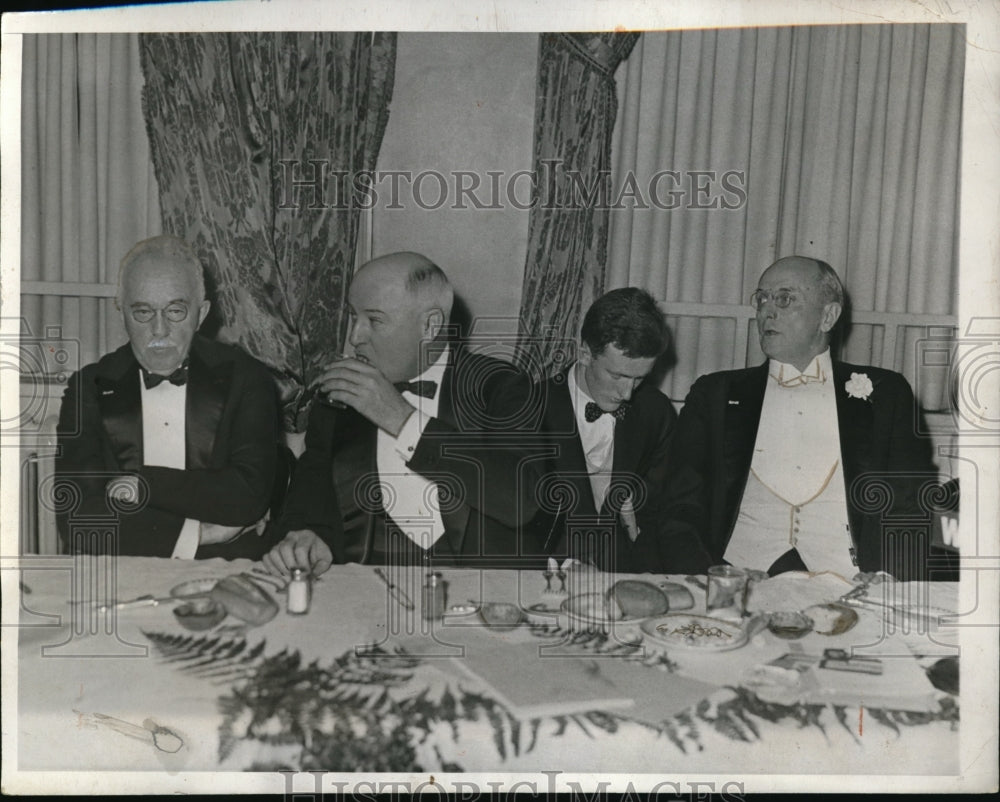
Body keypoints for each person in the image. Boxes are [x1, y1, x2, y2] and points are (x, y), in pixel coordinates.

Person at [643, 255, 940, 580]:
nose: (767, 311)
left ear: (828, 316)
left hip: (850, 588)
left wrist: (888, 579)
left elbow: (909, 507)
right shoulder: (714, 394)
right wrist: (705, 578)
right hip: (736, 584)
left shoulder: (886, 393)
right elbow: (678, 507)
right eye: (762, 299)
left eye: (785, 299)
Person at [263, 252, 538, 576]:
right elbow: (313, 481)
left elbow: (521, 501)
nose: (355, 337)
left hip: (476, 597)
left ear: (430, 325)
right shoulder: (342, 392)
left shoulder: (500, 387)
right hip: (367, 596)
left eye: (374, 320)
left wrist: (402, 419)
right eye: (354, 316)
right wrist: (308, 532)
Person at [55, 234, 283, 559]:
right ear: (121, 313)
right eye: (143, 312)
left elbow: (248, 496)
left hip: (224, 565)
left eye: (176, 311)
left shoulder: (246, 379)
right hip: (124, 563)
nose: (159, 330)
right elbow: (77, 517)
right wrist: (201, 534)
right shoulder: (87, 387)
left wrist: (144, 485)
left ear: (201, 314)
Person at [516, 287, 678, 572]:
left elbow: (660, 510)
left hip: (622, 571)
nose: (627, 394)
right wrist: (566, 565)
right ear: (585, 354)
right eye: (617, 375)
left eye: (639, 379)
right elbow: (514, 520)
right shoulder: (527, 409)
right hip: (542, 572)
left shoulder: (656, 412)